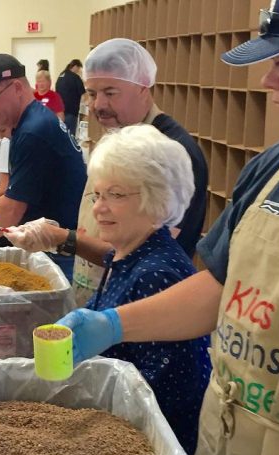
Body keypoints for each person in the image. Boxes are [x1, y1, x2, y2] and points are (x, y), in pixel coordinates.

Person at [58, 5, 279, 455]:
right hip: (232, 444)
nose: (267, 82)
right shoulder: (276, 166)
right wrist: (112, 325)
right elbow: (213, 287)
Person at [16, 125, 210, 455]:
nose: (98, 209)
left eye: (116, 195)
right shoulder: (131, 253)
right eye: (98, 194)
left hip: (148, 448)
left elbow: (159, 398)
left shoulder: (157, 274)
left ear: (157, 199)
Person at [60, 39, 208, 306]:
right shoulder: (117, 138)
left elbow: (144, 251)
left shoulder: (171, 152)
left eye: (110, 92)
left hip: (145, 302)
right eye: (92, 94)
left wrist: (63, 240)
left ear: (143, 89)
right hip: (103, 292)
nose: (98, 105)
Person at [0, 53, 87, 280]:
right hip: (49, 237)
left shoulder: (33, 130)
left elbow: (12, 208)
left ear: (16, 87)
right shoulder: (30, 121)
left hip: (58, 248)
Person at [55, 58, 85, 134]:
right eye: (78, 69)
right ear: (75, 66)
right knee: (71, 135)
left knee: (62, 134)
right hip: (71, 111)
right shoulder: (75, 77)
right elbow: (83, 93)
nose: (78, 71)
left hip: (60, 112)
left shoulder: (61, 75)